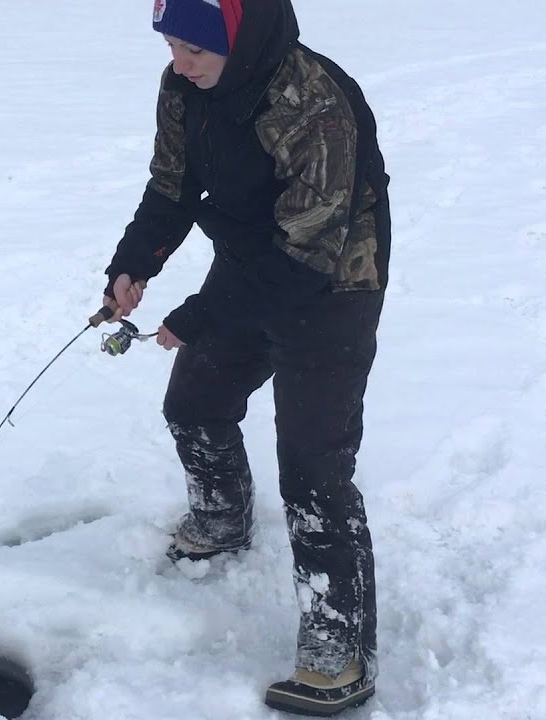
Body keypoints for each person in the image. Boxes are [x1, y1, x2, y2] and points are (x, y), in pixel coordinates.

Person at [99, 0, 391, 715]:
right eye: (171, 45)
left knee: (314, 470)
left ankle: (339, 645)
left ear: (240, 37)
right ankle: (223, 519)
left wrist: (197, 314)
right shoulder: (184, 89)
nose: (180, 63)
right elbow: (171, 185)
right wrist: (135, 263)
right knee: (193, 403)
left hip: (333, 284)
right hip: (251, 264)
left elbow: (306, 252)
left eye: (195, 49)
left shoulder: (311, 101)